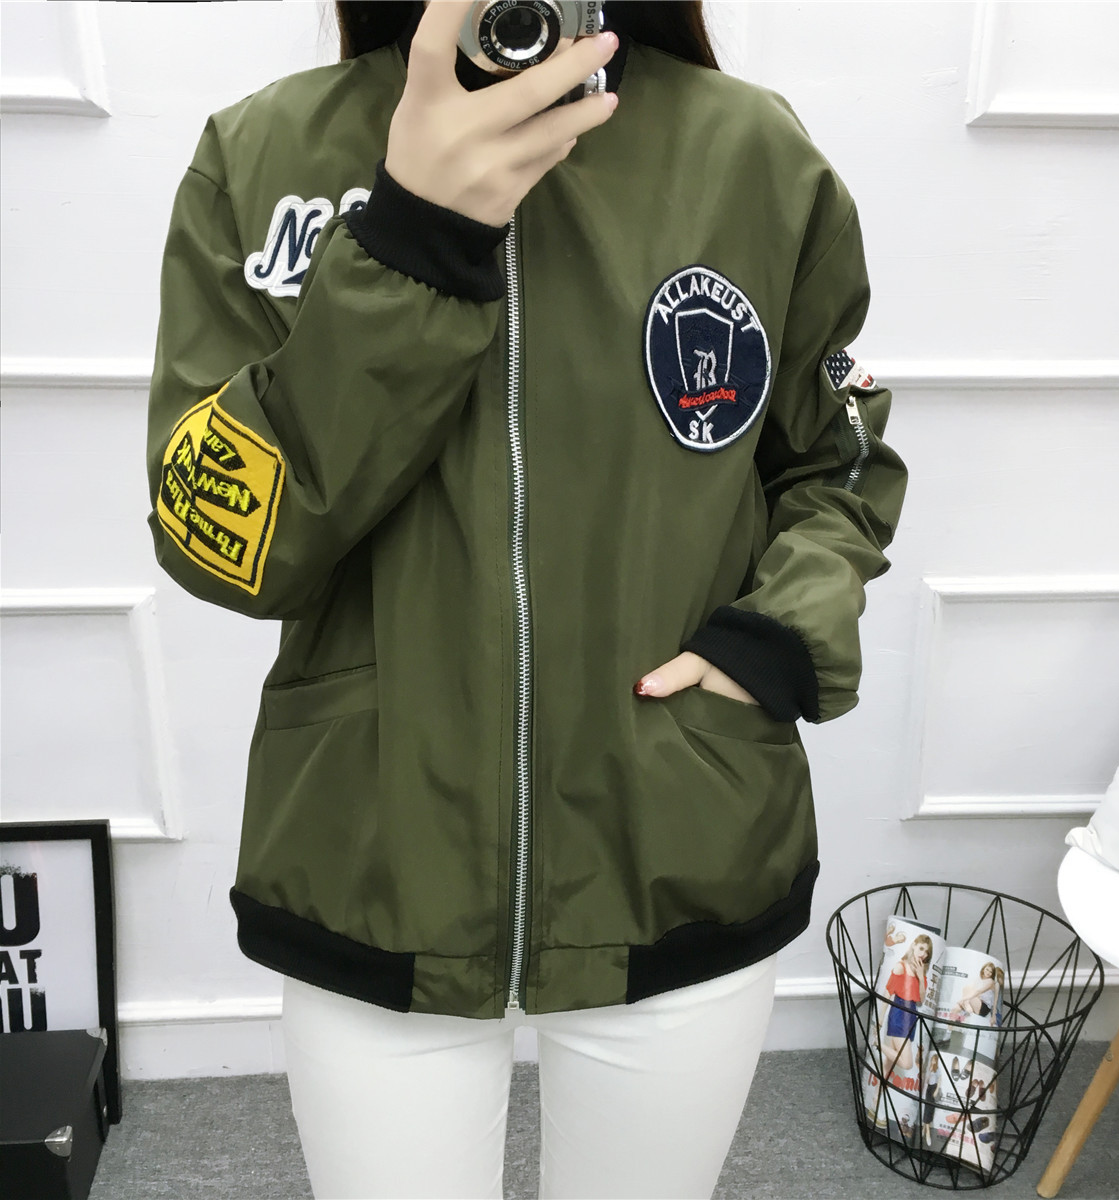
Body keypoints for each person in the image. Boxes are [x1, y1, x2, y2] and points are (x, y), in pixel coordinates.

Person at [144, 0, 908, 1196]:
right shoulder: (260, 153)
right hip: (373, 851)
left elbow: (838, 459)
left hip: (677, 831)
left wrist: (773, 637)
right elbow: (218, 539)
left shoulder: (751, 152)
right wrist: (409, 243)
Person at [881, 934, 932, 1076]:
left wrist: (920, 977)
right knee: (907, 1063)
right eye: (921, 948)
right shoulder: (901, 967)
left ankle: (879, 1090)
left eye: (927, 952)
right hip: (899, 1013)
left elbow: (921, 1000)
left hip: (911, 1014)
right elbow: (888, 992)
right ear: (914, 945)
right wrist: (880, 1018)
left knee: (889, 1063)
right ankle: (877, 1044)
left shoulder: (921, 972)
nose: (923, 954)